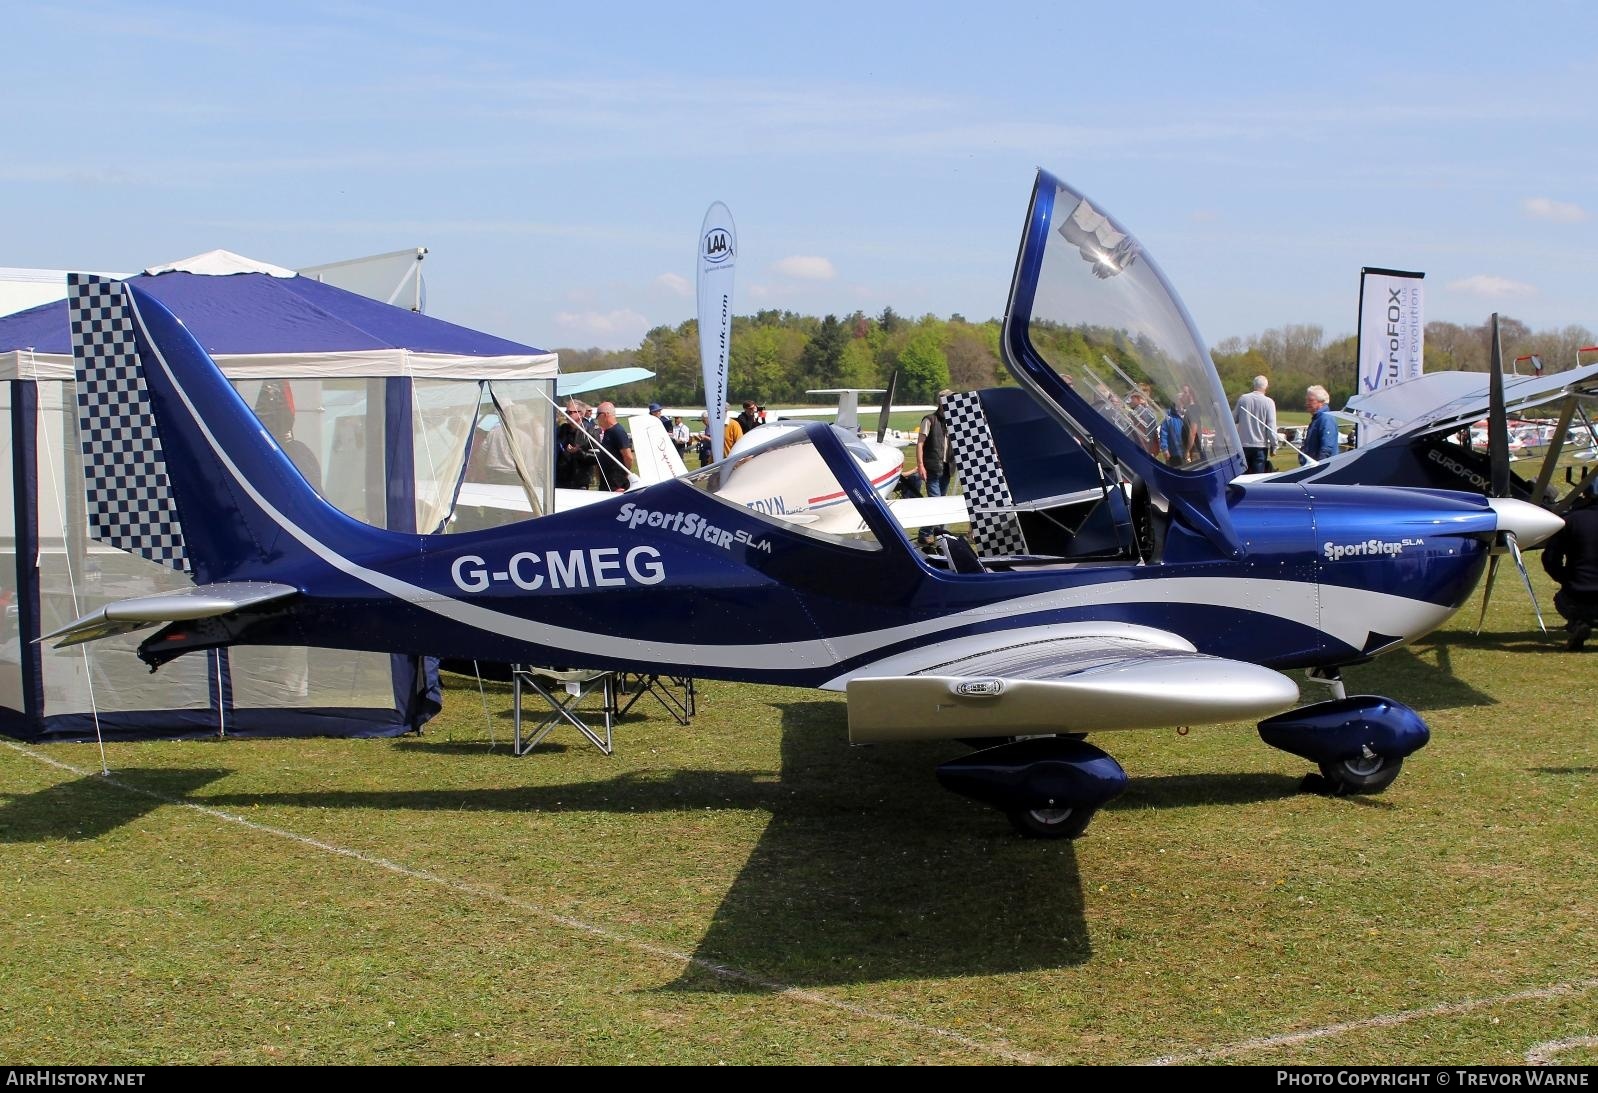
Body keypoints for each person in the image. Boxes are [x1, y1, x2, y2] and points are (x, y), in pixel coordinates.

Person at [1541, 482, 1598, 651]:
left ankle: (1578, 624)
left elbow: (1551, 559)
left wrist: (1567, 579)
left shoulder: (1571, 520)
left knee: (1561, 599)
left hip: (1579, 593)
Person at [915, 389, 956, 546]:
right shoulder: (929, 420)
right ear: (941, 402)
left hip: (947, 468)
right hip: (932, 467)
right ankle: (933, 534)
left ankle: (928, 533)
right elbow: (920, 443)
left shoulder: (954, 421)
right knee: (936, 501)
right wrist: (920, 465)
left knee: (939, 502)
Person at [1234, 375, 1279, 474]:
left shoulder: (1243, 399)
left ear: (1253, 385)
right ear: (1266, 387)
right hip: (1260, 447)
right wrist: (1274, 445)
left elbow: (1233, 419)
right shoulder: (1269, 402)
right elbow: (1271, 427)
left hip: (1243, 445)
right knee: (1256, 478)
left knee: (1241, 477)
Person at [592, 401, 636, 492]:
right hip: (607, 482)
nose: (597, 419)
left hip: (616, 485)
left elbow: (628, 457)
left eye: (598, 415)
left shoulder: (617, 431)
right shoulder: (608, 431)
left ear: (605, 415)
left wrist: (622, 478)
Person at [1301, 385, 1338, 465]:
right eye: (1306, 400)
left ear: (1321, 402)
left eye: (1310, 400)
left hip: (1323, 470)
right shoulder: (1317, 418)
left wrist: (1319, 467)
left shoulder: (1326, 418)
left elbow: (1327, 448)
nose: (1307, 403)